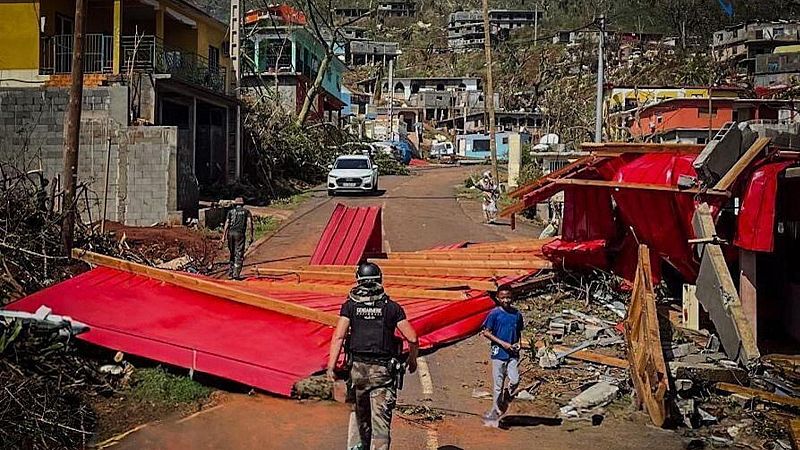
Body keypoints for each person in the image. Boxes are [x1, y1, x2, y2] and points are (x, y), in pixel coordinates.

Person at [327, 262, 419, 450]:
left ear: (358, 281)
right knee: (380, 425)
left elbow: (338, 336)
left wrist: (331, 367)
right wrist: (412, 359)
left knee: (358, 415)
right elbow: (412, 337)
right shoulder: (392, 308)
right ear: (379, 280)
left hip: (357, 373)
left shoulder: (350, 306)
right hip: (383, 375)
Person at [481, 286, 524, 427]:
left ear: (512, 297)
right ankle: (495, 412)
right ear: (498, 298)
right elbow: (486, 332)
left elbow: (518, 332)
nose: (506, 300)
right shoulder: (494, 314)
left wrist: (519, 343)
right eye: (503, 297)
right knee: (497, 386)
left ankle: (507, 396)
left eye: (508, 297)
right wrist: (502, 343)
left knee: (515, 379)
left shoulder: (517, 314)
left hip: (513, 353)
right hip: (498, 353)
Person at [221, 197, 253, 279]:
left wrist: (223, 237)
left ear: (235, 204)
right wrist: (251, 235)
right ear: (243, 204)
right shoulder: (246, 212)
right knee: (239, 253)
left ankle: (230, 273)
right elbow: (249, 224)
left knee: (232, 253)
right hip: (240, 234)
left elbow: (227, 224)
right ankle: (236, 274)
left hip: (230, 234)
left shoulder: (230, 212)